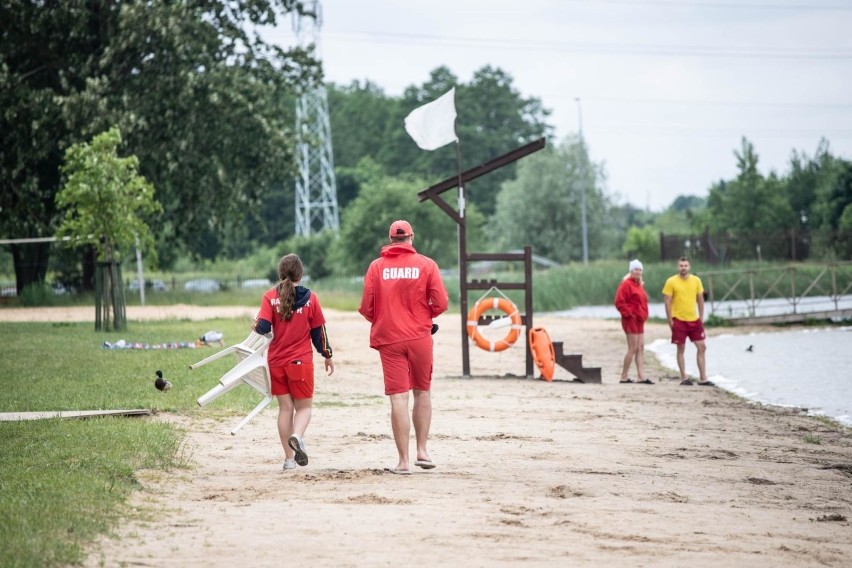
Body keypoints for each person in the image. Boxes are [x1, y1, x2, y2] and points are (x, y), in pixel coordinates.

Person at [358, 220, 449, 475]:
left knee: (398, 397)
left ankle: (403, 461)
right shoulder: (427, 264)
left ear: (390, 239)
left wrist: (384, 318)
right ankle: (423, 450)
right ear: (411, 238)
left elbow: (366, 307)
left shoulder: (376, 267)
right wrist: (424, 316)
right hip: (420, 337)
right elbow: (441, 303)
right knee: (422, 392)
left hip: (390, 339)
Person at [253, 253, 335, 471]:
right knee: (304, 408)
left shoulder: (270, 297)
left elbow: (262, 327)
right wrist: (327, 354)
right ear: (301, 273)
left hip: (276, 364)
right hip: (301, 363)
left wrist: (256, 324)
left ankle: (289, 460)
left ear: (280, 273)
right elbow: (319, 333)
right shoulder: (311, 298)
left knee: (285, 409)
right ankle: (297, 436)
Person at [662, 256, 714, 386]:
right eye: (681, 265)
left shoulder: (696, 280)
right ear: (677, 267)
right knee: (681, 348)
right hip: (678, 319)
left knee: (702, 347)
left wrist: (701, 316)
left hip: (694, 319)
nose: (683, 268)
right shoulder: (671, 281)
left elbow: (700, 299)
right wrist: (670, 321)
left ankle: (703, 378)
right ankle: (684, 377)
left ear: (689, 267)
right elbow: (667, 303)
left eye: (685, 266)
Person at [614, 259, 652, 384]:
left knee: (640, 347)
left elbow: (643, 302)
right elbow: (619, 302)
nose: (638, 271)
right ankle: (623, 376)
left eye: (640, 269)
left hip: (640, 319)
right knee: (633, 348)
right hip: (631, 319)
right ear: (631, 270)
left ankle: (642, 376)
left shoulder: (639, 285)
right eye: (636, 269)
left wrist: (644, 314)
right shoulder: (626, 284)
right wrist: (629, 314)